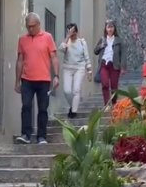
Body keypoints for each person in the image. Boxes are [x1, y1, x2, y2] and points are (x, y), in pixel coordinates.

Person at [15, 12, 59, 144]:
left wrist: (56, 76)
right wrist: (17, 81)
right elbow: (20, 61)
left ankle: (41, 136)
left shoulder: (48, 37)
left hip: (44, 80)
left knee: (43, 108)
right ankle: (26, 134)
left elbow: (54, 57)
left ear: (39, 24)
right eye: (28, 26)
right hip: (27, 79)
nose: (30, 29)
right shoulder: (22, 40)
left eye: (33, 26)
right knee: (26, 106)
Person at [59, 23, 92, 118]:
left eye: (73, 32)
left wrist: (89, 71)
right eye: (70, 32)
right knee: (67, 91)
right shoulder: (66, 42)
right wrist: (67, 37)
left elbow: (87, 57)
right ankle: (72, 105)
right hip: (67, 68)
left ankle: (74, 111)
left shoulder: (82, 42)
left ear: (76, 32)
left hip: (79, 68)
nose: (72, 35)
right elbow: (61, 49)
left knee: (76, 90)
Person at [94, 20, 123, 109]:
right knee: (105, 84)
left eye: (111, 27)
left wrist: (123, 67)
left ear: (114, 28)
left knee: (114, 86)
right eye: (108, 27)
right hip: (104, 64)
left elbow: (123, 54)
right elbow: (95, 51)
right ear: (106, 29)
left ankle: (114, 103)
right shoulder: (102, 39)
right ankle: (106, 104)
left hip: (114, 65)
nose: (110, 29)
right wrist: (101, 46)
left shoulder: (119, 40)